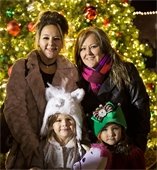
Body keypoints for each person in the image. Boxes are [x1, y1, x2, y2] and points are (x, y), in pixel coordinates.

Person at [3, 10, 79, 169]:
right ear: (38, 39)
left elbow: (74, 111)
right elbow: (14, 111)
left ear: (63, 42)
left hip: (60, 157)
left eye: (56, 38)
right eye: (46, 38)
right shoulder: (22, 67)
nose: (51, 43)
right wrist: (34, 149)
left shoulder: (70, 71)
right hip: (25, 156)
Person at [74, 26, 150, 152]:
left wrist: (138, 146)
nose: (88, 53)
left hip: (126, 148)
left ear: (104, 47)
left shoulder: (126, 70)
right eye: (82, 49)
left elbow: (141, 108)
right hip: (94, 152)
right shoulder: (76, 77)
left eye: (93, 47)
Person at [73, 101, 146, 169]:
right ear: (99, 134)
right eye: (105, 130)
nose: (111, 134)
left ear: (122, 130)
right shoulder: (94, 154)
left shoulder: (133, 154)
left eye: (115, 128)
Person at [39, 84, 87, 169]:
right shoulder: (43, 147)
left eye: (69, 119)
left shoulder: (81, 148)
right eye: (59, 120)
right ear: (51, 124)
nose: (64, 124)